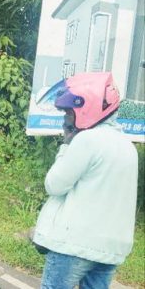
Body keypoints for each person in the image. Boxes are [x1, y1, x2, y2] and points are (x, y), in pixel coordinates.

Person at [33, 72, 138, 288]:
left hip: (74, 246)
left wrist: (66, 145)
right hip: (110, 250)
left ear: (85, 109)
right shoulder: (128, 147)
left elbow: (54, 185)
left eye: (69, 113)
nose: (65, 119)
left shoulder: (87, 140)